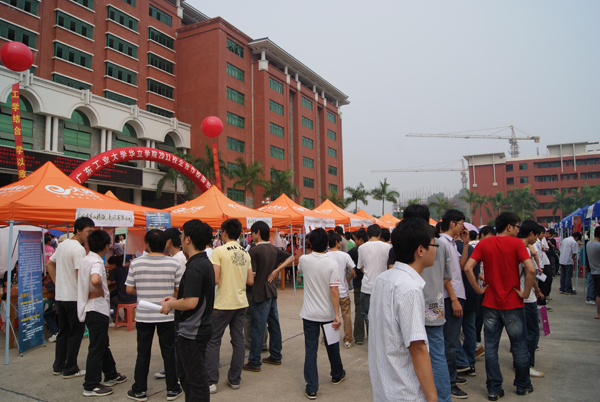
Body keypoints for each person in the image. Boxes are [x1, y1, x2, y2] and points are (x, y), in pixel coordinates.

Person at [464, 212, 536, 400]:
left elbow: (468, 267)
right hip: (513, 303)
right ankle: (522, 385)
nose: (518, 230)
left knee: (491, 348)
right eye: (517, 226)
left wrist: (479, 290)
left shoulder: (484, 244)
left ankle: (494, 388)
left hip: (490, 303)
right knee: (519, 347)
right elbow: (531, 269)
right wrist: (525, 293)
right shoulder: (517, 244)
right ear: (509, 226)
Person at [369, 218, 438, 402]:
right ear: (421, 250)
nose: (436, 249)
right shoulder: (409, 288)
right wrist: (432, 397)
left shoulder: (383, 279)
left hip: (384, 386)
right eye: (434, 245)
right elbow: (417, 349)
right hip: (405, 391)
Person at [401, 204, 452, 402]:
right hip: (434, 304)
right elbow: (447, 277)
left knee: (413, 354)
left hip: (411, 303)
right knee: (437, 355)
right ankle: (443, 398)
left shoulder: (406, 244)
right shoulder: (441, 244)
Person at [124, 230, 183, 402]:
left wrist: (143, 290)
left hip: (144, 315)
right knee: (169, 352)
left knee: (143, 353)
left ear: (147, 244)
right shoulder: (173, 263)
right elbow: (179, 290)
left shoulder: (136, 263)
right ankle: (172, 389)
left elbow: (129, 289)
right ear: (165, 243)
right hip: (167, 314)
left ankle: (139, 390)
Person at [160, 219, 215, 402]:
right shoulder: (202, 262)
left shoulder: (195, 266)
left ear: (188, 239)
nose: (180, 239)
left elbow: (191, 302)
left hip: (192, 332)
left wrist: (171, 305)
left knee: (196, 381)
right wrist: (175, 301)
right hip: (196, 328)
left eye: (182, 235)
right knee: (187, 376)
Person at [77, 230, 126, 397]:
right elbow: (95, 279)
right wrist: (98, 289)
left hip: (91, 309)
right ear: (106, 246)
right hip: (96, 309)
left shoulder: (86, 259)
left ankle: (111, 374)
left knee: (102, 344)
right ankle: (91, 385)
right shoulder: (97, 262)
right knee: (97, 347)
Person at [207, 219, 254, 393]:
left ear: (224, 232)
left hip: (223, 302)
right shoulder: (245, 252)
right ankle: (235, 379)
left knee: (213, 341)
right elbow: (250, 280)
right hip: (240, 302)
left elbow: (215, 279)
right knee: (238, 340)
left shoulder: (218, 251)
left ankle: (211, 381)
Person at [298, 228, 345, 400]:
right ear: (327, 243)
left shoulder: (304, 259)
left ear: (309, 243)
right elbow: (334, 290)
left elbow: (300, 271)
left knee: (311, 350)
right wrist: (336, 314)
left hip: (309, 314)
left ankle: (311, 387)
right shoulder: (332, 264)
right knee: (332, 345)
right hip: (327, 314)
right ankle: (337, 374)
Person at [46, 216, 95, 378]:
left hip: (61, 296)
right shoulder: (78, 249)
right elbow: (80, 275)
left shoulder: (63, 245)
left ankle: (58, 366)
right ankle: (70, 368)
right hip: (73, 297)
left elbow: (49, 264)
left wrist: (57, 282)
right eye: (88, 231)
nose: (90, 234)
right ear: (78, 231)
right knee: (75, 333)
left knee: (63, 332)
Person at [244, 221, 294, 371]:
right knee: (274, 325)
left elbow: (251, 277)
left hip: (259, 293)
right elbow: (291, 257)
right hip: (271, 291)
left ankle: (254, 361)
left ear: (258, 232)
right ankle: (276, 355)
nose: (251, 236)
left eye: (252, 233)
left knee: (258, 327)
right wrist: (277, 270)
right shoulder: (273, 249)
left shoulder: (253, 251)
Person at [438, 210, 470, 399]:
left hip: (456, 295)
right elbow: (445, 275)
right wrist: (454, 299)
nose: (462, 228)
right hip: (450, 298)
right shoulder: (442, 243)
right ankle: (449, 383)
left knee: (451, 341)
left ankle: (451, 377)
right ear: (452, 223)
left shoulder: (451, 243)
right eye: (460, 224)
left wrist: (465, 244)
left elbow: (461, 266)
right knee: (450, 343)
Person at [516, 221, 545, 378]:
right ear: (531, 234)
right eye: (537, 235)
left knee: (521, 333)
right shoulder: (524, 249)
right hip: (527, 299)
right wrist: (530, 292)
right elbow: (530, 272)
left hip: (517, 296)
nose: (538, 239)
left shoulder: (514, 247)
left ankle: (520, 362)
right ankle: (527, 364)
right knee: (532, 333)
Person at [357, 224, 391, 334]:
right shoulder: (387, 247)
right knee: (382, 315)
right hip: (383, 286)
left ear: (368, 234)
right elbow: (389, 266)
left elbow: (360, 267)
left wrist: (368, 271)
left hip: (367, 285)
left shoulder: (362, 248)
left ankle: (371, 336)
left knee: (366, 314)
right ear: (379, 234)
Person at [455, 237, 481, 378]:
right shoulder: (473, 249)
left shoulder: (451, 249)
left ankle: (462, 361)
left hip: (457, 295)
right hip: (471, 294)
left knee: (452, 332)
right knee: (470, 329)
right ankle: (470, 363)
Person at [326, 232, 355, 349]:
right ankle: (347, 340)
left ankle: (327, 338)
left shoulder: (325, 256)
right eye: (340, 241)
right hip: (343, 291)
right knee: (346, 316)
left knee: (330, 316)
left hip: (330, 291)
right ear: (337, 242)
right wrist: (347, 280)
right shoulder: (345, 256)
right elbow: (353, 270)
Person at [474, 226, 496, 359]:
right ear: (482, 235)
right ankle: (476, 345)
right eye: (489, 237)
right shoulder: (477, 247)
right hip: (478, 288)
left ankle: (476, 345)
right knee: (477, 319)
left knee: (479, 319)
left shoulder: (486, 247)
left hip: (482, 287)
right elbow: (472, 269)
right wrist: (487, 280)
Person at [348, 229, 367, 345]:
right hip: (372, 284)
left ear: (360, 240)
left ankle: (359, 337)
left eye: (355, 240)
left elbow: (346, 259)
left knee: (359, 310)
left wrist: (352, 270)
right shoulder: (375, 249)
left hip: (359, 283)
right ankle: (372, 335)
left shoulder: (355, 251)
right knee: (371, 311)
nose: (354, 242)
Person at [107, 256, 136, 323]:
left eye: (110, 265)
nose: (109, 266)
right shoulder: (127, 268)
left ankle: (117, 320)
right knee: (119, 294)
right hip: (134, 297)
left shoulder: (115, 270)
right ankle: (127, 318)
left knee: (111, 301)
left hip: (124, 298)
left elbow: (108, 283)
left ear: (114, 265)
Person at [587, 227, 600, 318]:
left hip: (593, 271)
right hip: (598, 271)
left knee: (597, 293)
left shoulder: (589, 244)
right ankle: (598, 313)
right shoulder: (598, 245)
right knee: (599, 294)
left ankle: (598, 313)